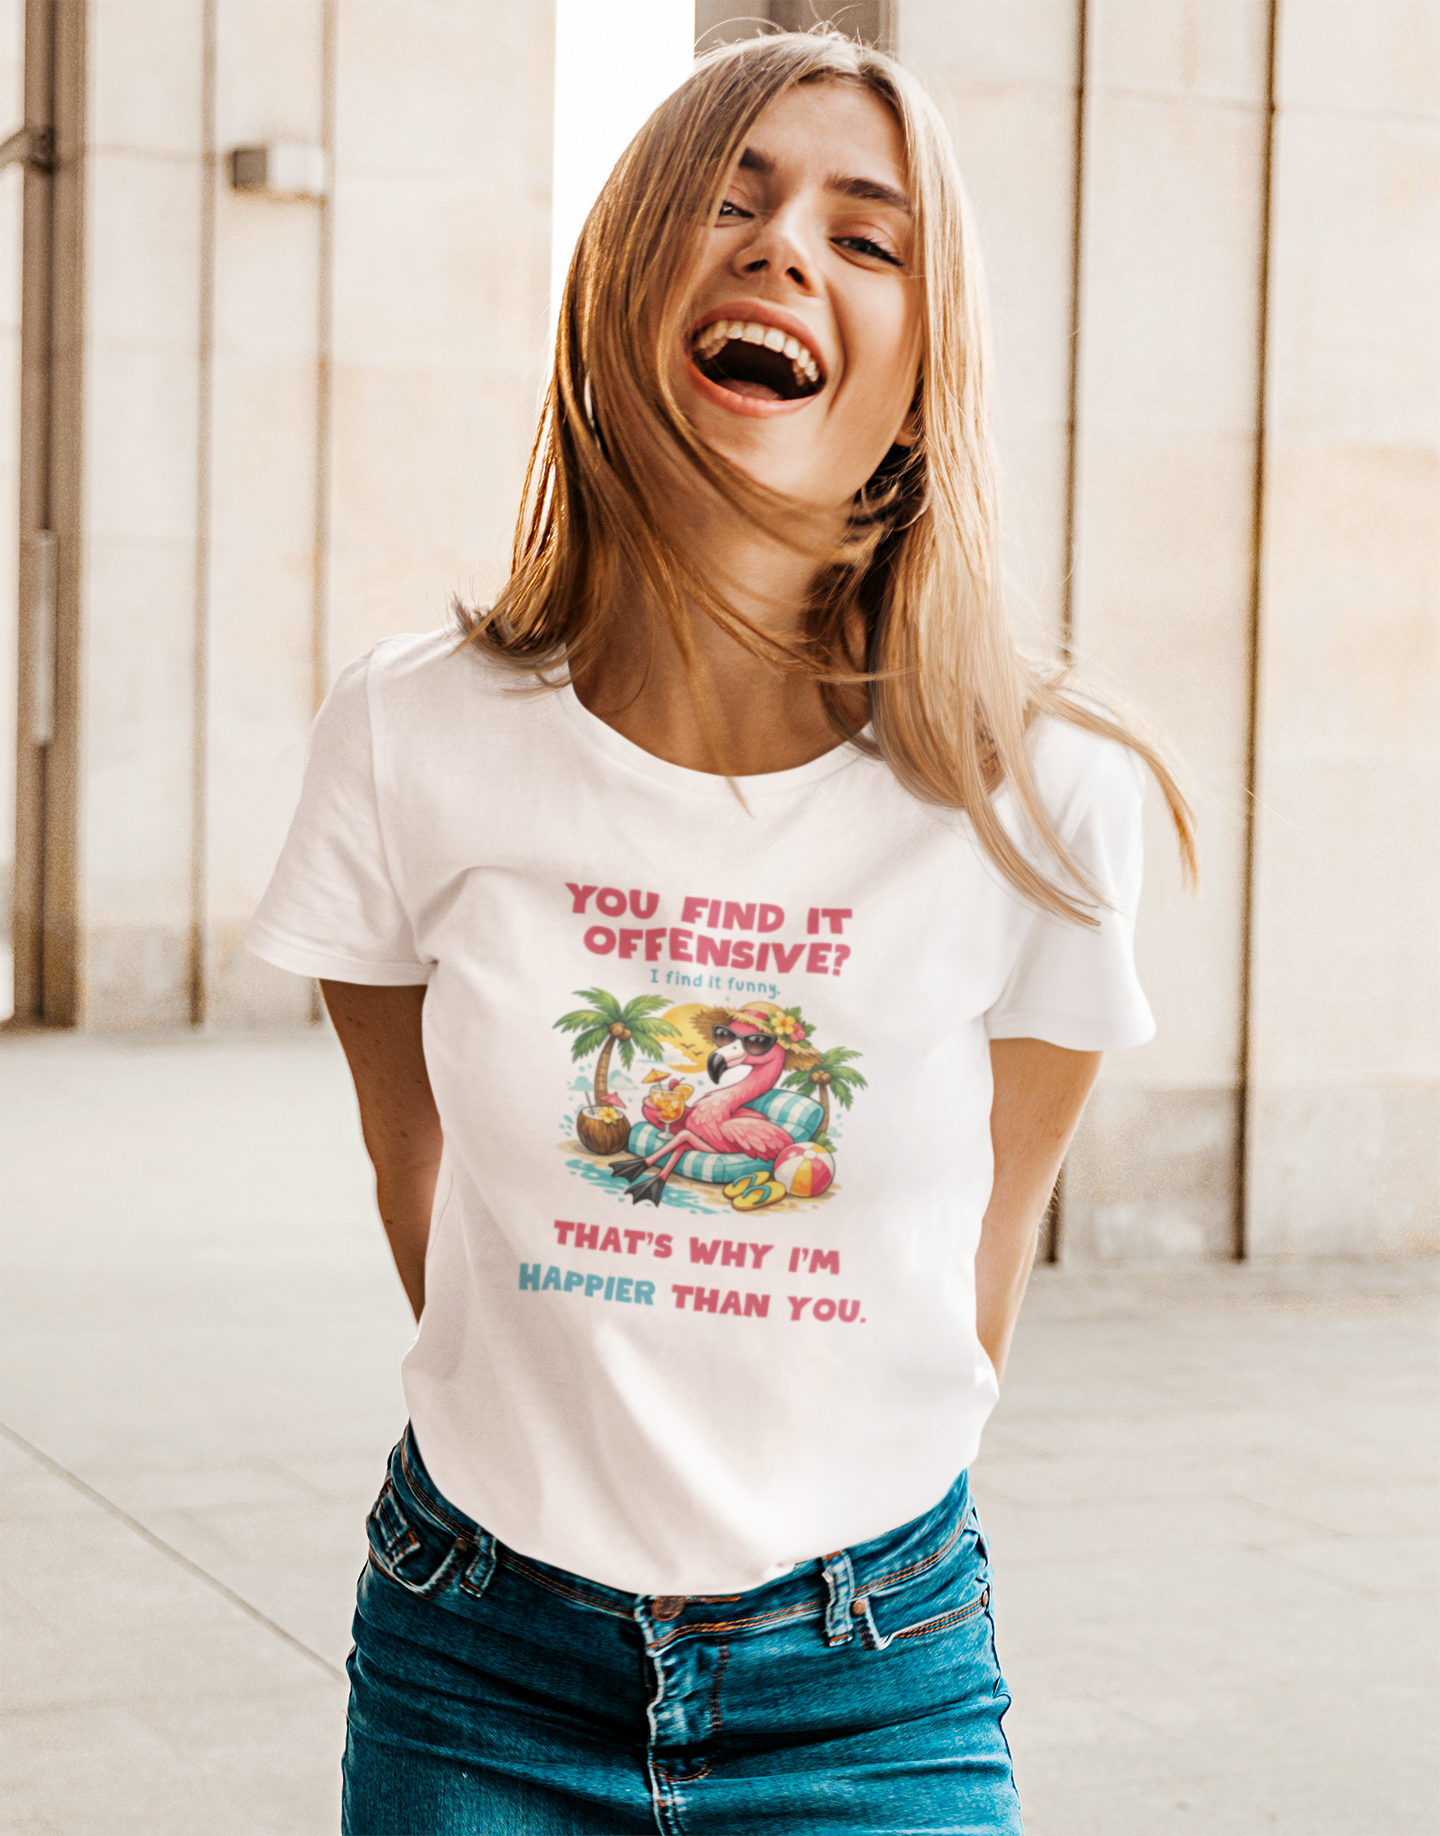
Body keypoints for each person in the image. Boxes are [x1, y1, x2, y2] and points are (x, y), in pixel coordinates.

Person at [247, 29, 1194, 1835]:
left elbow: (982, 1248)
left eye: (868, 235)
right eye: (732, 199)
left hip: (873, 1678)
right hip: (477, 1661)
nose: (783, 253)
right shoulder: (408, 730)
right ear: (621, 282)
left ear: (921, 377)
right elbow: (415, 1171)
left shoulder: (1042, 795)